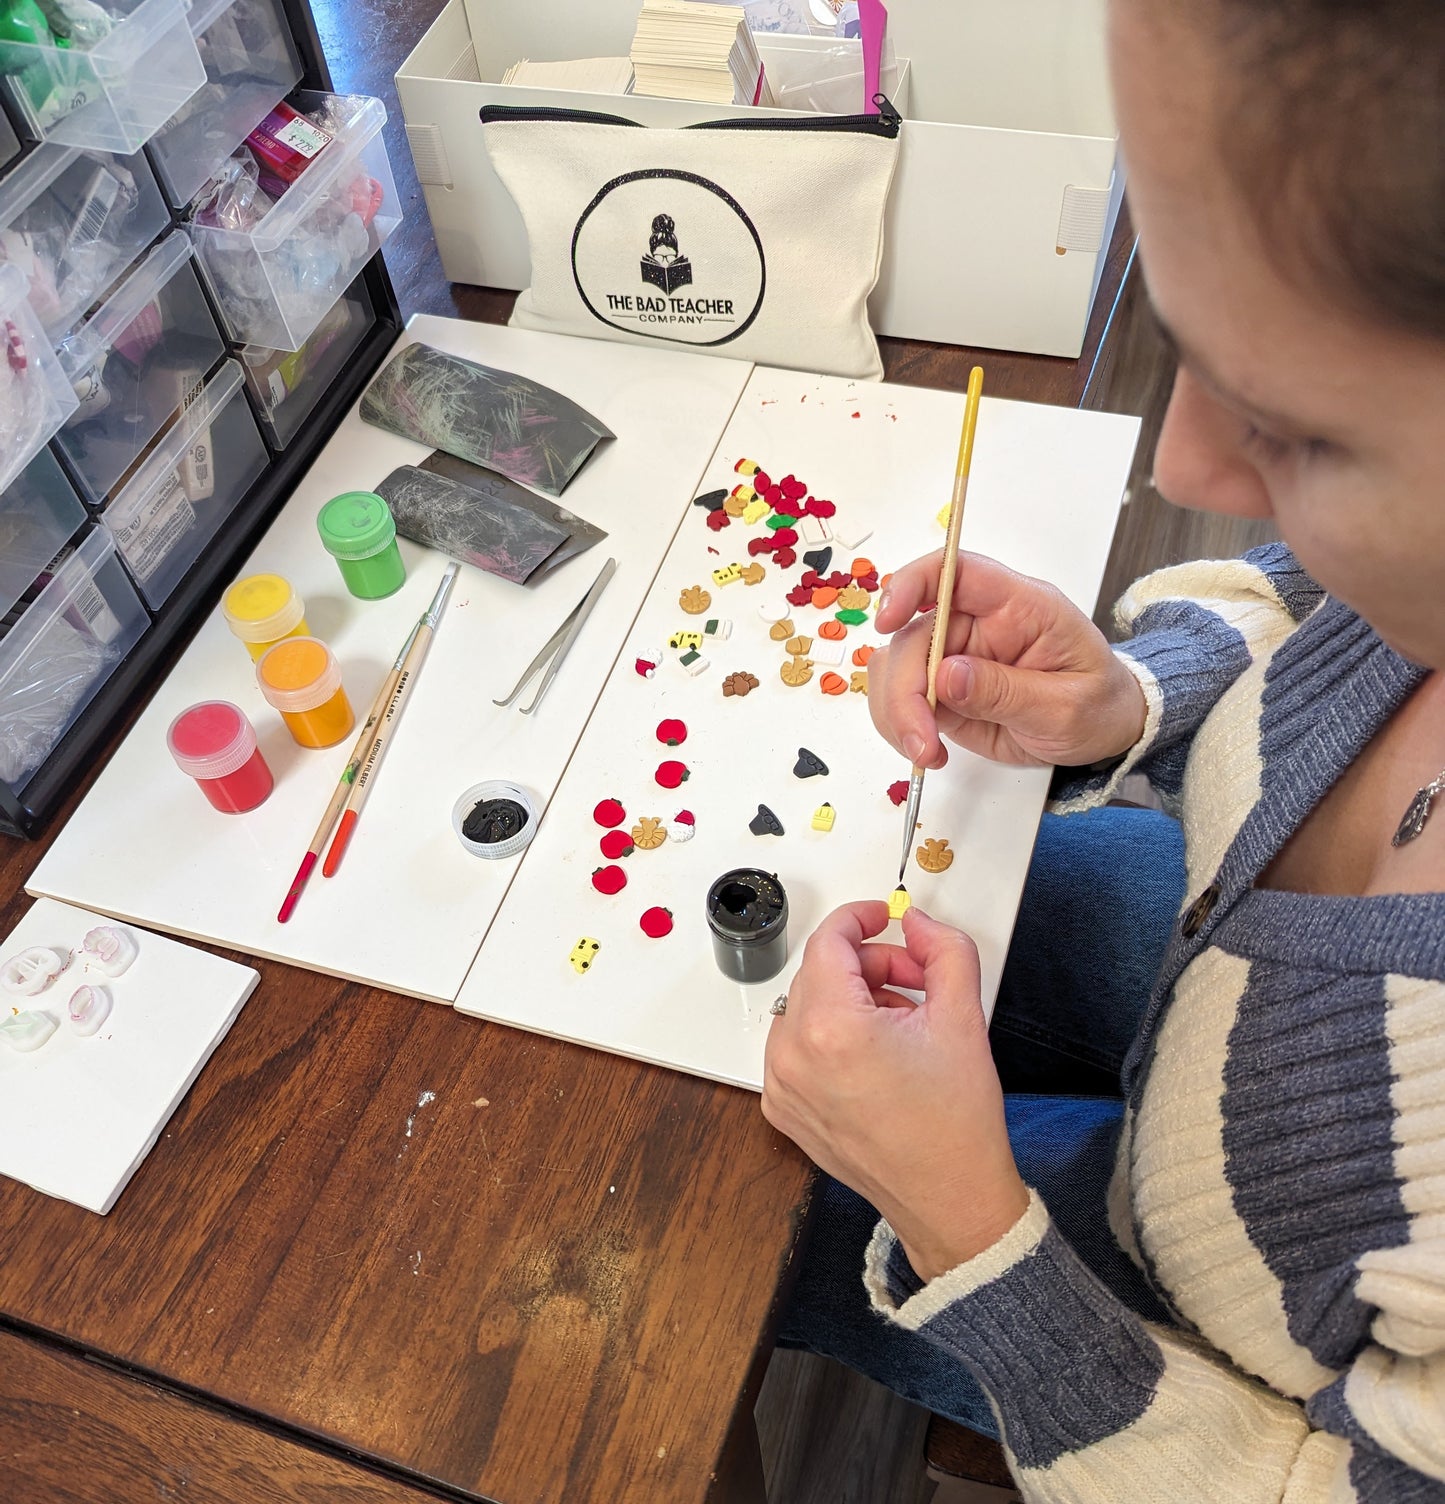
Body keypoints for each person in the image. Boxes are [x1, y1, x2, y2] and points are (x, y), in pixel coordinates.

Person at [760, 0, 1445, 1497]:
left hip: (1181, 1337)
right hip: (1220, 1003)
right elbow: (1307, 591)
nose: (1184, 470)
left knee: (751, 1201)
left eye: (1297, 429)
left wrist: (965, 1234)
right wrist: (1126, 698)